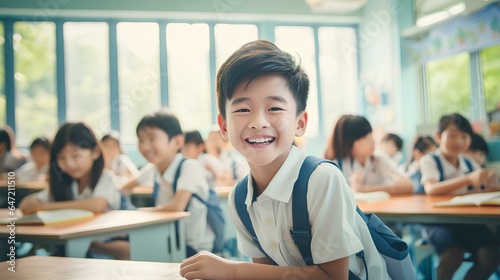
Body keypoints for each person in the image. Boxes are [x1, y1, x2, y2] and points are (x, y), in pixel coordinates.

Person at [180, 40, 390, 279]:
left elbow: (333, 277)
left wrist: (233, 270)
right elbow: (265, 274)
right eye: (242, 109)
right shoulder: (240, 198)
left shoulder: (321, 180)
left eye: (275, 108)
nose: (258, 122)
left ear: (300, 123)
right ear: (224, 127)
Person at [19, 122, 128, 259]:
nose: (69, 163)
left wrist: (47, 207)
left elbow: (96, 205)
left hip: (105, 248)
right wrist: (41, 205)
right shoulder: (66, 183)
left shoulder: (105, 177)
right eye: (61, 157)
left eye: (76, 156)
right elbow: (25, 205)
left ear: (95, 152)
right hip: (75, 247)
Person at [121, 111, 215, 257]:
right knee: (119, 242)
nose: (145, 147)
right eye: (141, 140)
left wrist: (136, 214)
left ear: (177, 142)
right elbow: (124, 189)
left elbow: (177, 206)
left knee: (124, 248)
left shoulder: (189, 166)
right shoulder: (154, 168)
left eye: (152, 139)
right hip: (167, 238)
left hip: (193, 249)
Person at [420, 113, 500, 280]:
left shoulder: (469, 162)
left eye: (464, 136)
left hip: (465, 220)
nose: (458, 141)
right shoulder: (430, 160)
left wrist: (491, 184)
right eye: (452, 135)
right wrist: (468, 178)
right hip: (438, 222)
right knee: (453, 255)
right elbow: (431, 189)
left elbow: (483, 186)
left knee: (492, 253)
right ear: (437, 136)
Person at [325, 115, 413, 194]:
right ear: (353, 143)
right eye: (367, 138)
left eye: (372, 136)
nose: (373, 141)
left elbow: (409, 186)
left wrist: (364, 189)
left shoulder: (379, 159)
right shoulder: (337, 166)